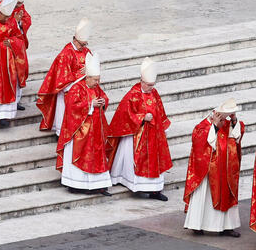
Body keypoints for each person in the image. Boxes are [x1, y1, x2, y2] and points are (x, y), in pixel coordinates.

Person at [108, 58, 172, 201]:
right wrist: (142, 118)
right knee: (137, 161)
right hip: (137, 135)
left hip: (154, 135)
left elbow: (160, 110)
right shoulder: (133, 94)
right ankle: (137, 186)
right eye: (149, 85)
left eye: (152, 85)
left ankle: (155, 190)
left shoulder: (154, 93)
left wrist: (163, 125)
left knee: (155, 162)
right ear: (142, 81)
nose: (151, 87)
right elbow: (125, 114)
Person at [183, 100, 244, 237]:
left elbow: (237, 137)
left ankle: (227, 226)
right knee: (204, 197)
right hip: (208, 171)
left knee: (227, 195)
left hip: (226, 170)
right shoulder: (203, 126)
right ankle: (197, 225)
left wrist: (234, 121)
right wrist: (215, 127)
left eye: (227, 117)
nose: (225, 120)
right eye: (223, 117)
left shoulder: (227, 124)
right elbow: (199, 143)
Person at [56, 52, 111, 194]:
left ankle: (98, 185)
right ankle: (77, 184)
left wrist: (103, 101)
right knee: (81, 158)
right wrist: (90, 105)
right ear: (87, 77)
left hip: (96, 131)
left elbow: (102, 96)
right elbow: (71, 107)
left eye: (99, 80)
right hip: (80, 131)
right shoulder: (76, 88)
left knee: (97, 157)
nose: (98, 83)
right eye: (95, 80)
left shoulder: (95, 87)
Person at [36, 18, 92, 133]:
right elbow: (62, 78)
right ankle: (61, 132)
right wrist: (80, 74)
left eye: (85, 44)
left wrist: (90, 69)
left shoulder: (86, 51)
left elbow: (92, 64)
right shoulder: (66, 54)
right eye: (82, 44)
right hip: (67, 89)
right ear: (75, 40)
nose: (84, 47)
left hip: (83, 88)